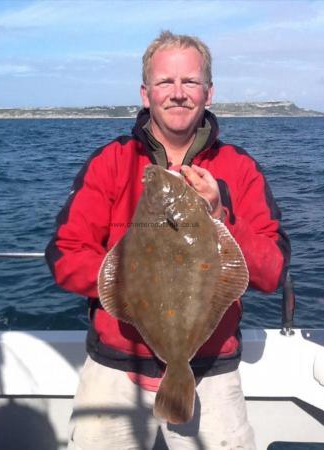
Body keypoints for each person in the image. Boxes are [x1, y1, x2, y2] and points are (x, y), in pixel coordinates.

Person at [45, 31, 290, 450]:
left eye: (190, 82)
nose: (178, 93)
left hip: (211, 370)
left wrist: (218, 213)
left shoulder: (239, 168)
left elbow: (271, 273)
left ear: (208, 93)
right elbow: (65, 255)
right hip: (117, 368)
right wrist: (128, 285)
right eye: (165, 82)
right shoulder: (111, 162)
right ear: (146, 94)